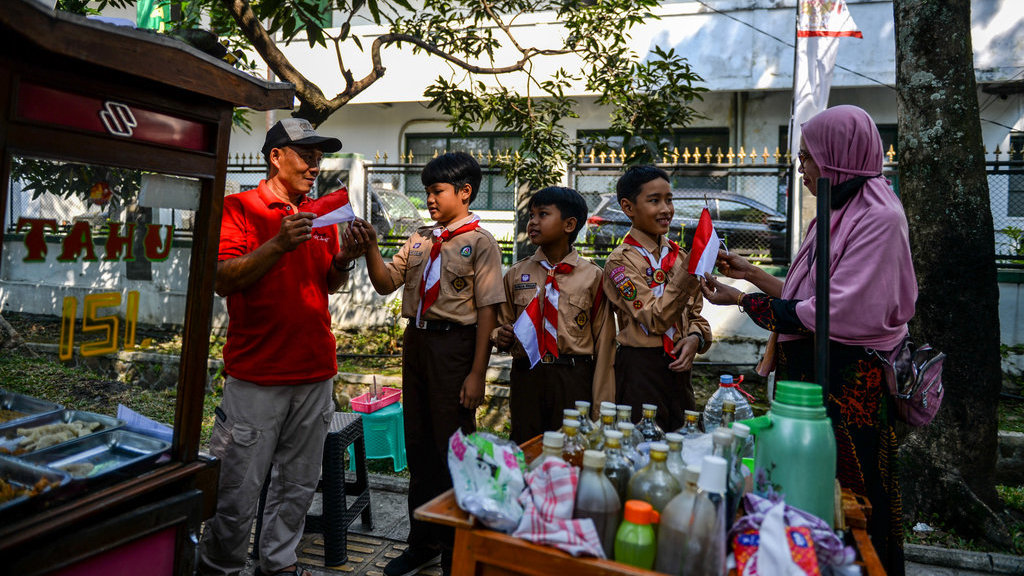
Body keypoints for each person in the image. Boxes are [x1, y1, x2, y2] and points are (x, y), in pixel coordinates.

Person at [700, 105, 915, 576]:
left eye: (808, 157)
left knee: (851, 501)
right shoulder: (835, 213)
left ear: (839, 157)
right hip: (813, 382)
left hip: (846, 388)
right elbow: (809, 296)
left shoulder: (877, 219)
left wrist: (741, 299)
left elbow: (831, 314)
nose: (801, 167)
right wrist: (754, 276)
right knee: (806, 491)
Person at [197, 118, 364, 576]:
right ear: (276, 156)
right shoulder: (239, 207)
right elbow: (220, 279)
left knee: (296, 484)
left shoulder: (319, 213)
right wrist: (276, 246)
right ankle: (220, 565)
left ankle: (278, 563)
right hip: (256, 377)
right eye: (305, 154)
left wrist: (345, 261)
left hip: (315, 371)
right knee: (237, 487)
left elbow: (326, 282)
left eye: (318, 156)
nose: (315, 164)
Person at [350, 152, 504, 576]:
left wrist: (477, 374)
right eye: (428, 191)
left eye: (437, 191)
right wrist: (371, 250)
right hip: (417, 345)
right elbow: (385, 284)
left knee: (452, 450)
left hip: (455, 349)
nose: (430, 199)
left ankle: (458, 548)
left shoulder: (481, 243)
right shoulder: (419, 239)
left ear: (465, 192)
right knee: (419, 448)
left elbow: (488, 312)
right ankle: (423, 542)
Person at [492, 186, 616, 444]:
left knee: (570, 451)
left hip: (572, 377)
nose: (533, 222)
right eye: (531, 215)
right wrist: (500, 336)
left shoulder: (592, 277)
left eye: (543, 214)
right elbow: (500, 324)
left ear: (569, 224)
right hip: (527, 375)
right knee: (526, 447)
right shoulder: (516, 274)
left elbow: (605, 344)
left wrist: (600, 407)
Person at [602, 165, 711, 432]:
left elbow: (696, 314)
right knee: (642, 447)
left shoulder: (680, 257)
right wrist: (686, 275)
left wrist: (695, 339)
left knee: (682, 442)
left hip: (679, 368)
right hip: (640, 369)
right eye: (654, 201)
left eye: (669, 199)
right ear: (628, 207)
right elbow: (654, 319)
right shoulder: (621, 261)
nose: (666, 209)